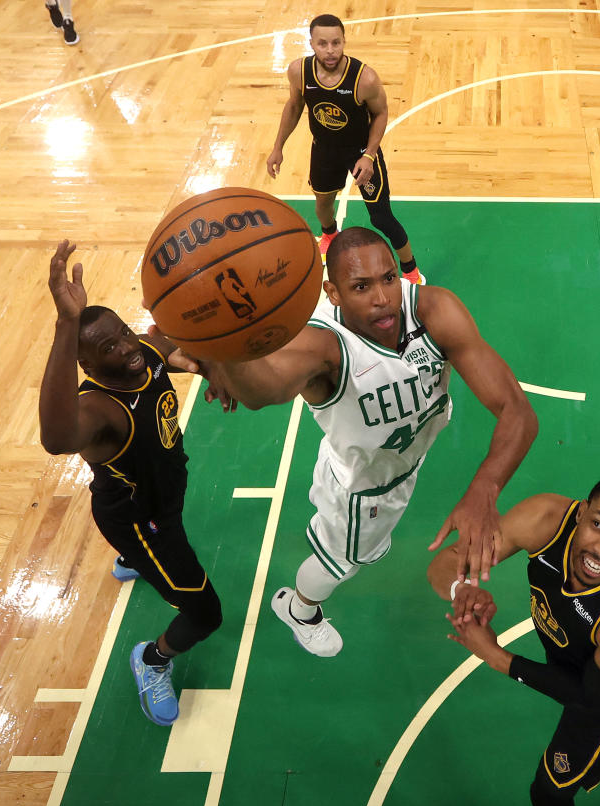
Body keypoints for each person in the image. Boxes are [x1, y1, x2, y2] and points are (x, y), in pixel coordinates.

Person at [186, 226, 538, 657]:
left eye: (389, 278)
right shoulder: (324, 346)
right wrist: (222, 349)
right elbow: (263, 392)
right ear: (333, 293)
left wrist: (484, 490)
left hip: (401, 462)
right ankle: (300, 608)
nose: (382, 297)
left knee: (359, 550)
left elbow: (517, 410)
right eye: (360, 286)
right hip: (362, 489)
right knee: (343, 564)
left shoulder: (434, 310)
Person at [428, 475, 600, 806]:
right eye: (598, 524)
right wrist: (462, 590)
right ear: (580, 513)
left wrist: (497, 657)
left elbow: (587, 696)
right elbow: (446, 563)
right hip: (590, 653)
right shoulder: (545, 519)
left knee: (548, 792)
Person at [38, 240, 224, 726]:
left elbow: (167, 341)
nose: (127, 347)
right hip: (142, 520)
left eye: (122, 332)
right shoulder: (98, 409)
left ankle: (131, 559)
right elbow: (56, 439)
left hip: (156, 490)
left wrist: (208, 363)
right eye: (108, 348)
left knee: (140, 501)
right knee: (205, 615)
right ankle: (151, 659)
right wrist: (65, 324)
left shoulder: (141, 352)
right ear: (88, 366)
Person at [265, 13, 425, 284]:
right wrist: (277, 147)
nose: (330, 51)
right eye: (323, 44)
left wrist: (370, 155)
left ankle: (411, 271)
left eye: (336, 43)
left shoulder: (365, 79)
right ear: (312, 43)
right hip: (324, 150)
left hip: (360, 152)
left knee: (382, 218)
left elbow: (381, 114)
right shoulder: (298, 72)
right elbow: (294, 106)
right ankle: (329, 235)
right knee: (322, 206)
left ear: (344, 42)